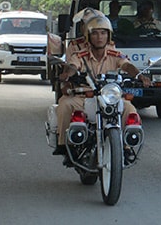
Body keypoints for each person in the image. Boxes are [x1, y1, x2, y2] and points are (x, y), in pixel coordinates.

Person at [53, 16, 151, 155]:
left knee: (130, 108)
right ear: (88, 36)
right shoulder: (80, 55)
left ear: (108, 35)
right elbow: (73, 66)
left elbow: (127, 65)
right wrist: (68, 74)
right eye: (95, 33)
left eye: (103, 33)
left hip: (109, 98)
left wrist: (140, 76)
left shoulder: (116, 54)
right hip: (85, 97)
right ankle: (63, 144)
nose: (99, 37)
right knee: (65, 104)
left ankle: (126, 146)